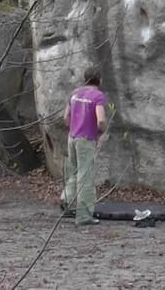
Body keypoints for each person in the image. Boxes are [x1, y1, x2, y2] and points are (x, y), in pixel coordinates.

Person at [61, 66, 108, 226]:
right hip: (86, 139)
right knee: (85, 177)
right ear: (99, 80)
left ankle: (66, 200)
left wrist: (73, 128)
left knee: (74, 172)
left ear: (85, 78)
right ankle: (84, 216)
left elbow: (65, 117)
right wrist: (101, 131)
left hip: (72, 137)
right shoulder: (98, 96)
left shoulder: (75, 93)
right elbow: (100, 119)